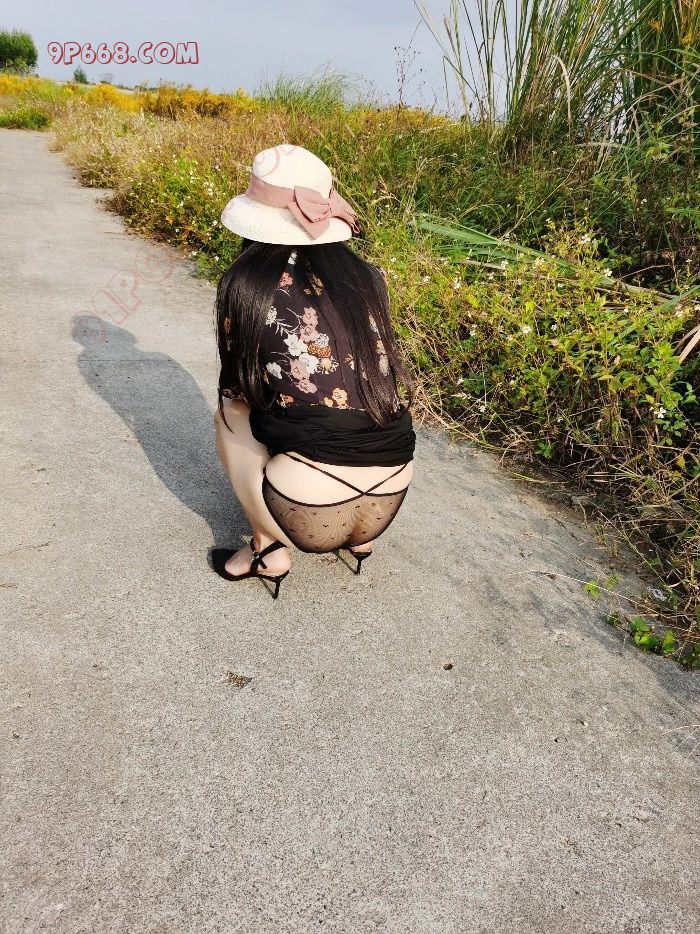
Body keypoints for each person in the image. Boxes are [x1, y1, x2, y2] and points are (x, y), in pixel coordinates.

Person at [211, 144, 416, 598]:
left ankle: (267, 550)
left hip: (306, 504)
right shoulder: (369, 276)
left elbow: (238, 389)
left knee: (230, 412)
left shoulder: (247, 285)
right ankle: (360, 543)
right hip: (392, 488)